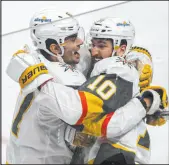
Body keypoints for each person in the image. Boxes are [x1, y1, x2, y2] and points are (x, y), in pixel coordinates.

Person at [6, 15, 168, 165]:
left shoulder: (116, 70)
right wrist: (148, 100)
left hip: (117, 153)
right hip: (90, 154)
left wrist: (139, 60)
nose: (89, 48)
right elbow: (93, 119)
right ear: (55, 47)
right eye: (73, 38)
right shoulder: (69, 72)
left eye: (101, 45)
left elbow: (105, 124)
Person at [5, 9, 93, 164]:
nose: (80, 42)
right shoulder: (48, 75)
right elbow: (76, 113)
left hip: (34, 154)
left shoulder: (51, 58)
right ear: (55, 48)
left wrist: (140, 57)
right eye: (73, 38)